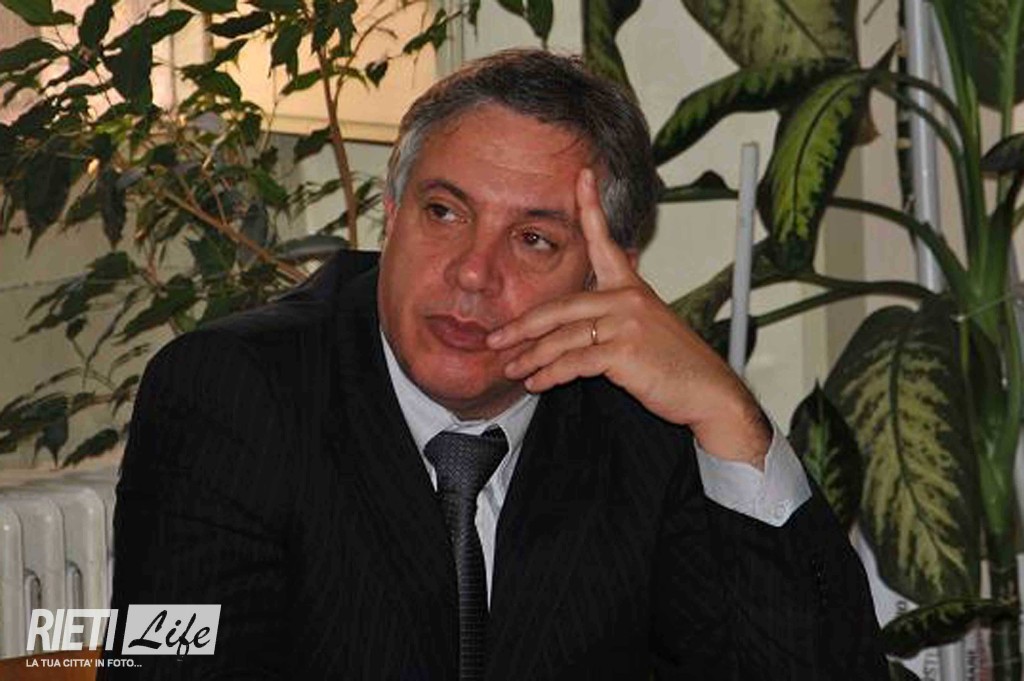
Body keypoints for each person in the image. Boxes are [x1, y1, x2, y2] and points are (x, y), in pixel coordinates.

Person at [102, 49, 886, 679]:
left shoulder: (638, 417)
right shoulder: (232, 394)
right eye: (445, 212)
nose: (474, 273)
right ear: (392, 211)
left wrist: (728, 415)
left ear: (606, 273)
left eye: (533, 239)